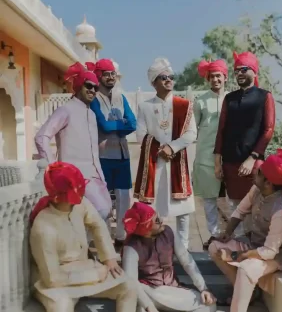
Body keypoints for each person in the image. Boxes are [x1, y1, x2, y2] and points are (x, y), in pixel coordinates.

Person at [29, 162, 150, 312]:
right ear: (58, 196)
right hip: (55, 282)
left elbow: (96, 224)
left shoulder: (79, 205)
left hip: (86, 268)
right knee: (61, 311)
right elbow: (52, 278)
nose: (80, 197)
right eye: (74, 193)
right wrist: (98, 272)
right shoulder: (43, 226)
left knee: (127, 286)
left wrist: (107, 257)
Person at [208, 149, 282, 312]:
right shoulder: (258, 190)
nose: (255, 173)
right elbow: (240, 211)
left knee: (247, 268)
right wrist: (226, 234)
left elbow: (269, 252)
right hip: (253, 244)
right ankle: (246, 295)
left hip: (276, 256)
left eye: (259, 173)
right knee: (215, 248)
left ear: (268, 182)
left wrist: (236, 257)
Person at [120, 202, 218, 312]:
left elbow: (187, 260)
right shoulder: (131, 247)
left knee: (210, 306)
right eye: (156, 220)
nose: (162, 220)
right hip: (149, 294)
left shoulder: (168, 232)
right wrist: (151, 309)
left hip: (173, 291)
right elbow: (130, 282)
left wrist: (203, 288)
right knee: (136, 297)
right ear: (147, 229)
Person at [34, 63, 112, 222]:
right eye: (88, 85)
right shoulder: (66, 109)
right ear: (78, 86)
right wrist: (52, 167)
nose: (92, 90)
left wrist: (101, 175)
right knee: (100, 211)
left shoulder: (91, 114)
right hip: (73, 175)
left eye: (96, 88)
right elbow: (42, 136)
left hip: (95, 175)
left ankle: (82, 244)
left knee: (106, 210)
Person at [133, 58, 198, 250]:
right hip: (155, 164)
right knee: (155, 210)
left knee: (183, 211)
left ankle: (183, 250)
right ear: (154, 82)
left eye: (171, 77)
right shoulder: (145, 107)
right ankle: (156, 250)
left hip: (178, 163)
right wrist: (161, 149)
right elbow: (140, 134)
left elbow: (191, 133)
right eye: (163, 77)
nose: (169, 80)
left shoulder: (184, 105)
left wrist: (173, 147)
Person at [214, 51, 275, 231]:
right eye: (236, 70)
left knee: (254, 207)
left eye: (244, 69)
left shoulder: (265, 96)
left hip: (254, 165)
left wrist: (253, 158)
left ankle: (252, 250)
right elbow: (221, 130)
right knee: (234, 208)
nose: (239, 73)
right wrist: (217, 161)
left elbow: (268, 130)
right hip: (230, 164)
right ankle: (237, 249)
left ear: (254, 72)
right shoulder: (229, 98)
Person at [87, 58, 136, 243]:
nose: (110, 77)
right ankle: (105, 237)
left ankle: (122, 235)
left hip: (123, 155)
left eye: (113, 74)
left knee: (124, 197)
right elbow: (103, 126)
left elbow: (132, 123)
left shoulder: (121, 98)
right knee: (105, 199)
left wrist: (119, 125)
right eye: (106, 74)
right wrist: (121, 124)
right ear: (99, 76)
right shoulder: (94, 99)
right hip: (104, 155)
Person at [193, 59, 230, 247]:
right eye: (212, 76)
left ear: (225, 77)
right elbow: (192, 129)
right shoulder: (200, 102)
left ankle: (235, 236)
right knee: (209, 200)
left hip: (230, 156)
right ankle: (214, 235)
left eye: (218, 76)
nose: (215, 79)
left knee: (233, 200)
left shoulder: (232, 100)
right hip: (206, 156)